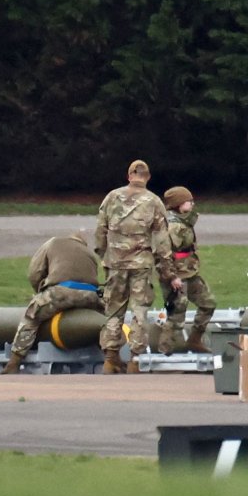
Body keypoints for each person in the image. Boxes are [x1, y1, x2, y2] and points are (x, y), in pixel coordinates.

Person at [95, 160, 170, 374]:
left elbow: (100, 231)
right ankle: (135, 360)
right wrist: (165, 266)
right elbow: (162, 240)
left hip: (115, 263)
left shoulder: (111, 197)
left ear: (129, 176)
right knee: (139, 311)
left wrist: (103, 255)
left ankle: (110, 357)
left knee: (114, 310)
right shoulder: (154, 202)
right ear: (147, 177)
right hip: (141, 264)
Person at [0, 234, 103, 374]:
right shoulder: (89, 253)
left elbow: (34, 273)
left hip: (62, 292)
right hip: (91, 296)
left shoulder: (53, 243)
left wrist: (39, 292)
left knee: (32, 316)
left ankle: (14, 361)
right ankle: (110, 356)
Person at [157, 186, 217, 354]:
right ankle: (164, 351)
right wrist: (172, 277)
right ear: (178, 204)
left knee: (208, 303)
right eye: (188, 201)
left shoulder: (184, 223)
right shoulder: (173, 227)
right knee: (177, 313)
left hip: (190, 273)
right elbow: (163, 255)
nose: (192, 204)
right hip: (176, 276)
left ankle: (194, 340)